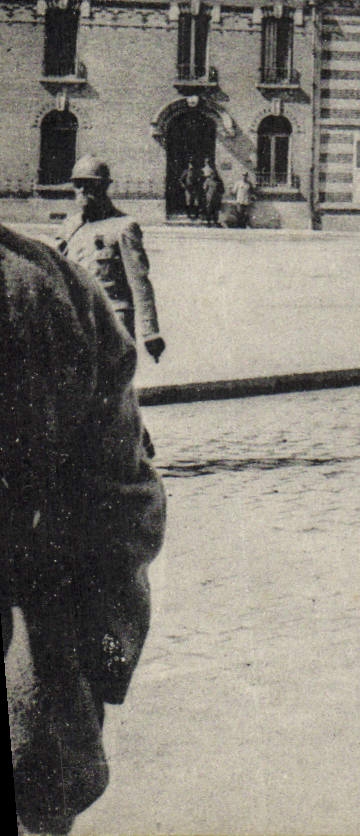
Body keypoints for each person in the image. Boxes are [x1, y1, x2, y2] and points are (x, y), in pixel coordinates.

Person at [3, 224, 167, 835]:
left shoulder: (61, 273)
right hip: (37, 706)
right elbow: (122, 510)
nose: (79, 197)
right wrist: (100, 663)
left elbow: (118, 504)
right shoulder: (53, 276)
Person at [56, 157, 164, 363]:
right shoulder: (70, 227)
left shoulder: (123, 227)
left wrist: (150, 333)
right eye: (78, 185)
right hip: (76, 323)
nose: (82, 191)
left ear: (104, 186)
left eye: (90, 185)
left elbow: (139, 283)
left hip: (113, 324)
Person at [199, 162, 225, 227]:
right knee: (209, 210)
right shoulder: (208, 181)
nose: (213, 175)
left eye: (214, 174)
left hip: (216, 198)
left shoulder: (218, 182)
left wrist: (220, 195)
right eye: (212, 174)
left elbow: (222, 190)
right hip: (209, 198)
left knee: (216, 210)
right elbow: (205, 188)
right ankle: (208, 222)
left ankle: (215, 222)